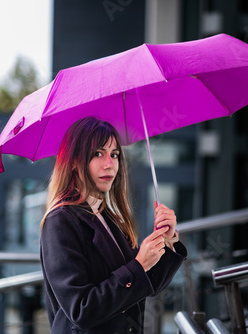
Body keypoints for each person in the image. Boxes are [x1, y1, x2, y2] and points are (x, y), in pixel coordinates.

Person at [40, 117, 187, 334]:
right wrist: (139, 265)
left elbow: (149, 284)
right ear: (73, 161)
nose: (109, 163)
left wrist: (167, 240)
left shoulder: (105, 215)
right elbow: (81, 310)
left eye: (115, 154)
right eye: (98, 153)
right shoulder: (61, 221)